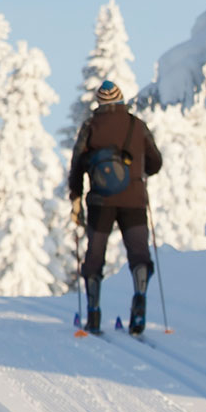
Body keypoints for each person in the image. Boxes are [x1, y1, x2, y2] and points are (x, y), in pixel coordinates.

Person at [67, 80, 164, 334]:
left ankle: (94, 313)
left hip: (100, 201)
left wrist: (75, 198)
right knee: (139, 254)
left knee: (95, 255)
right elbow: (155, 163)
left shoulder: (90, 126)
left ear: (99, 102)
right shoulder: (137, 125)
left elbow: (77, 164)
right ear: (121, 100)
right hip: (134, 199)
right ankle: (139, 304)